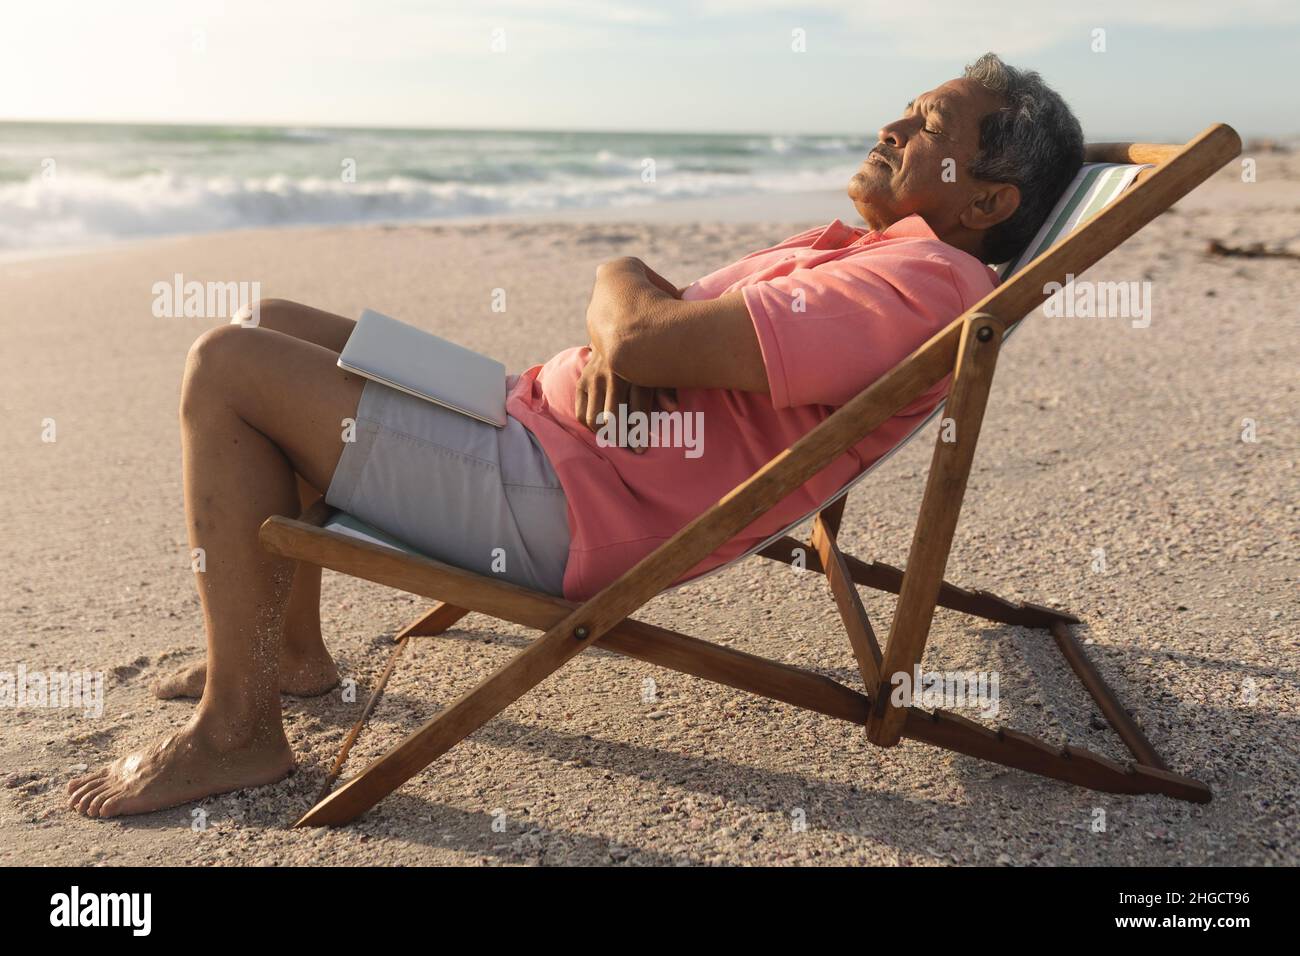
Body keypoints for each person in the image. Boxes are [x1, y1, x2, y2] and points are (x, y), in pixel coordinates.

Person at [68, 52, 1083, 818]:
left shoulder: (917, 282)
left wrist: (627, 304)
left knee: (227, 367)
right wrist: (632, 319)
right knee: (275, 321)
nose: (893, 123)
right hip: (533, 422)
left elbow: (640, 325)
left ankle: (239, 728)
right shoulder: (876, 253)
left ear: (989, 199)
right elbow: (647, 328)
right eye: (906, 107)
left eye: (929, 122)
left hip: (554, 498)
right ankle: (285, 651)